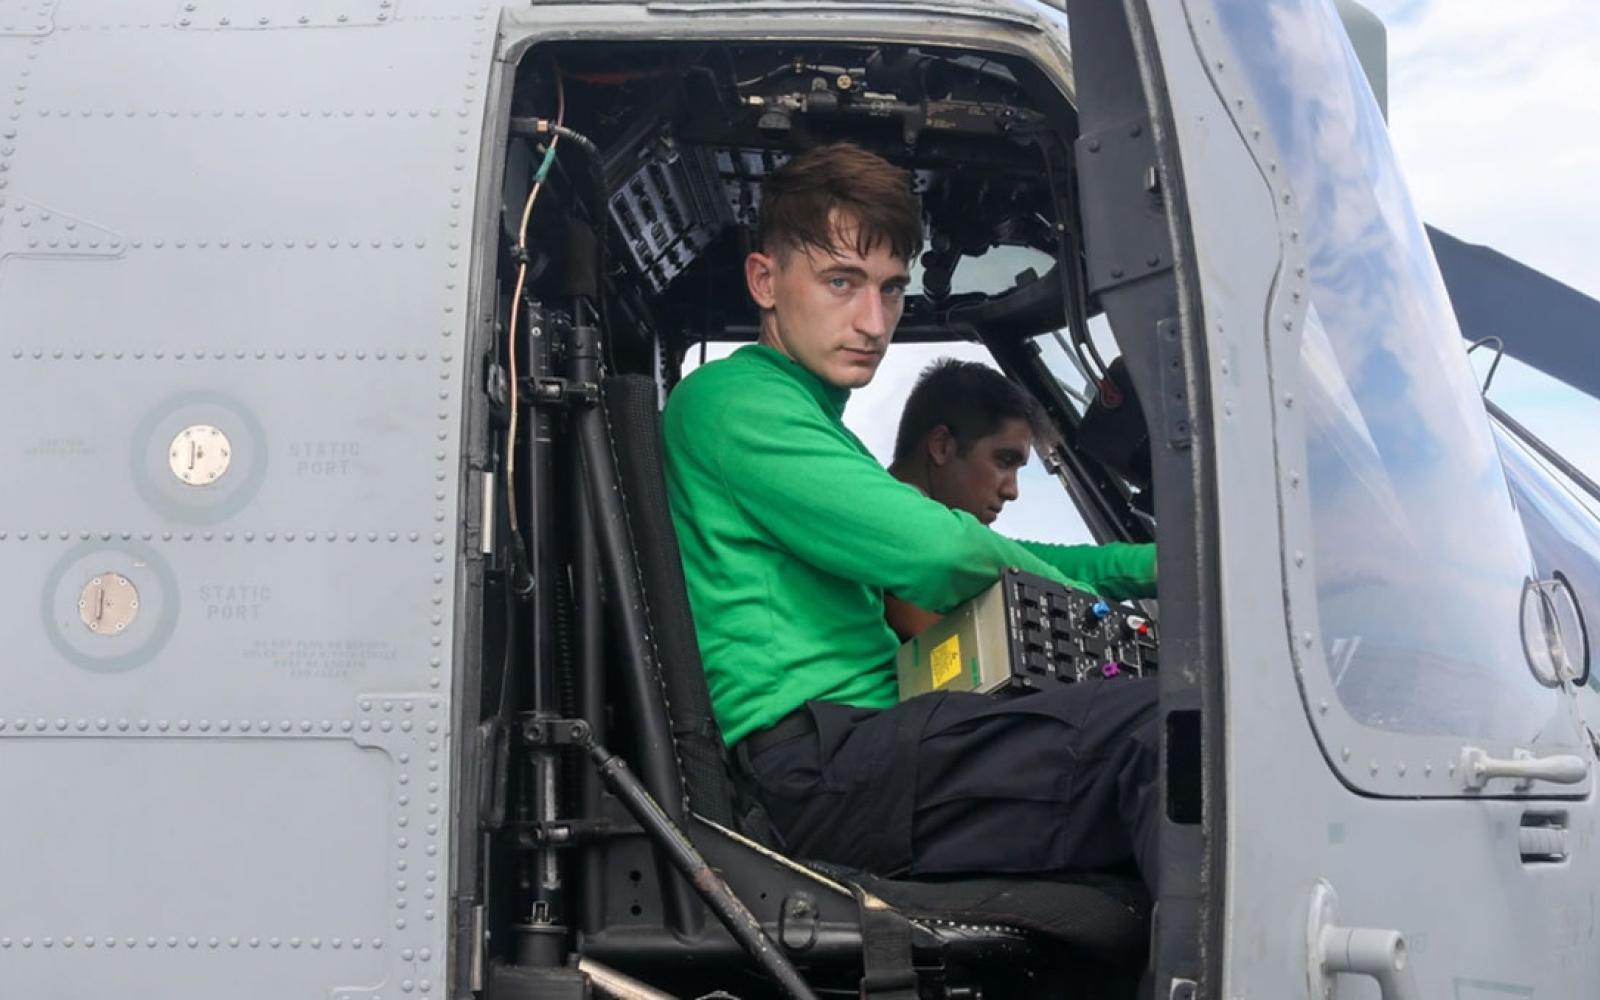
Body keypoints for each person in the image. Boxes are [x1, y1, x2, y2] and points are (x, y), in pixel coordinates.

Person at [662, 142, 1162, 887]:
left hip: (857, 748)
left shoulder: (810, 422)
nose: (874, 321)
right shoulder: (736, 402)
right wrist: (1099, 615)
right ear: (765, 281)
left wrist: (1161, 567)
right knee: (1163, 731)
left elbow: (990, 548)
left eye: (891, 288)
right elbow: (943, 553)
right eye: (842, 281)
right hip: (818, 765)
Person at [884, 358, 1038, 641]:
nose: (1012, 491)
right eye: (1004, 462)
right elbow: (944, 646)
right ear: (942, 446)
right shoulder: (891, 541)